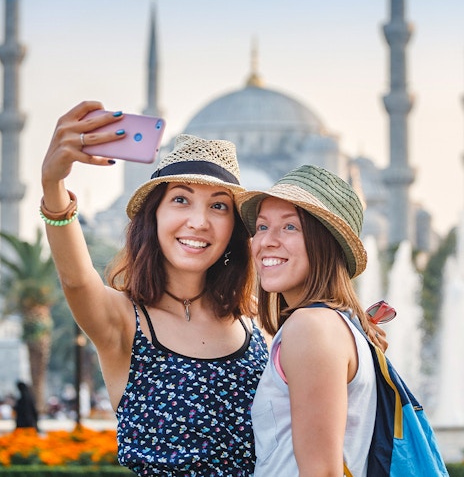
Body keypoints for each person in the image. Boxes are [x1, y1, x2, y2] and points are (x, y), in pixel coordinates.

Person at [41, 101, 269, 476]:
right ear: (155, 215)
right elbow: (76, 280)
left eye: (219, 207)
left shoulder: (255, 318)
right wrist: (53, 185)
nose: (199, 221)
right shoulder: (123, 321)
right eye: (181, 200)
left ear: (233, 230)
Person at [236, 164, 379, 477]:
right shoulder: (337, 324)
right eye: (261, 227)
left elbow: (322, 472)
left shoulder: (311, 327)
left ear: (326, 243)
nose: (267, 242)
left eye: (290, 227)